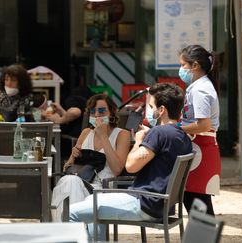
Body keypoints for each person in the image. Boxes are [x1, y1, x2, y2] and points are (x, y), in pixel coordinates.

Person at [69, 83, 192, 240]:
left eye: (151, 106)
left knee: (71, 212)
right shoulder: (182, 136)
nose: (148, 111)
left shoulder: (158, 133)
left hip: (144, 204)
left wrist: (139, 141)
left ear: (161, 111)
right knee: (92, 200)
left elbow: (131, 166)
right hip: (163, 206)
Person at [51, 93, 131, 222]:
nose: (97, 115)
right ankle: (73, 232)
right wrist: (73, 157)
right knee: (69, 182)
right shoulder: (86, 133)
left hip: (103, 188)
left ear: (111, 113)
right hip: (80, 182)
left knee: (70, 184)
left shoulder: (122, 134)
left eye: (102, 111)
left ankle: (66, 231)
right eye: (93, 112)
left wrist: (104, 137)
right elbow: (68, 167)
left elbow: (117, 169)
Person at [178, 44, 220, 216]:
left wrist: (177, 129)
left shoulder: (201, 90)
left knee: (198, 204)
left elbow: (203, 125)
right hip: (199, 150)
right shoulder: (198, 87)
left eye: (182, 65)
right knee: (194, 202)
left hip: (201, 150)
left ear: (195, 65)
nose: (180, 69)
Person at [45, 86, 94, 157]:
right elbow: (75, 118)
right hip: (84, 141)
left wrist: (58, 120)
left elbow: (75, 112)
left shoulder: (73, 98)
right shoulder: (87, 103)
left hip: (73, 142)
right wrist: (61, 110)